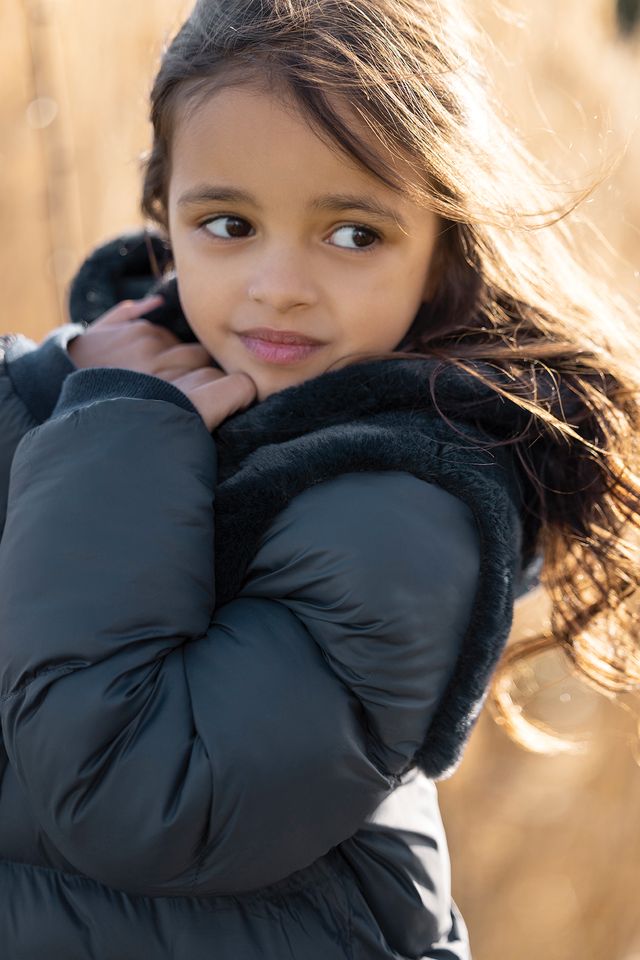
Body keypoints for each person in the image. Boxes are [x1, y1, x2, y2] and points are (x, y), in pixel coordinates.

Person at [0, 0, 638, 957]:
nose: (281, 282)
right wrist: (49, 389)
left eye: (353, 235)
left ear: (442, 251)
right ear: (164, 228)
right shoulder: (137, 390)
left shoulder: (404, 511)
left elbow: (148, 797)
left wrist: (109, 435)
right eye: (229, 223)